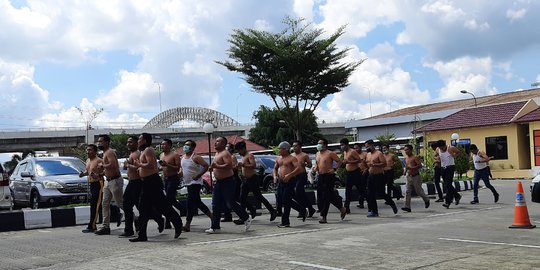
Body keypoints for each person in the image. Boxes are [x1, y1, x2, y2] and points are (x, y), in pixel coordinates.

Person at [129, 133, 183, 242]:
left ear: (144, 140)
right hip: (146, 182)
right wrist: (135, 166)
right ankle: (142, 235)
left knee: (162, 205)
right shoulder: (143, 151)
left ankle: (177, 223)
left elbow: (151, 165)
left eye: (139, 139)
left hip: (152, 181)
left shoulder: (148, 150)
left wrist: (139, 165)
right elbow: (144, 166)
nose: (138, 141)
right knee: (143, 208)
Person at [205, 137, 252, 234]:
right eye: (216, 141)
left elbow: (229, 165)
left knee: (230, 203)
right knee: (215, 204)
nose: (215, 143)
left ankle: (246, 217)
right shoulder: (217, 154)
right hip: (218, 182)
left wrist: (216, 166)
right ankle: (215, 226)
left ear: (223, 144)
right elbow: (218, 166)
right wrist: (213, 169)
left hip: (227, 181)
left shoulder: (225, 153)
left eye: (218, 141)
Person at [121, 136, 164, 237]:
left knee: (142, 207)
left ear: (137, 143)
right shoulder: (132, 154)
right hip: (131, 182)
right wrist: (127, 165)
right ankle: (129, 229)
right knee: (127, 205)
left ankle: (158, 218)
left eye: (131, 142)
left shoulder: (137, 153)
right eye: (127, 142)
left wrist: (128, 165)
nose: (128, 144)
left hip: (137, 183)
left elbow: (137, 166)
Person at [234, 141, 277, 224]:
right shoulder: (244, 157)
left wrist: (243, 165)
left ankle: (272, 210)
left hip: (252, 179)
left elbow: (253, 165)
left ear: (243, 149)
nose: (239, 153)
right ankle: (243, 217)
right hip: (245, 180)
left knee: (258, 197)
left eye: (239, 150)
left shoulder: (249, 155)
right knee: (242, 198)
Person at [180, 140, 213, 232]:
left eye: (188, 145)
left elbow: (206, 166)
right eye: (185, 144)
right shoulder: (183, 157)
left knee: (190, 203)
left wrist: (198, 175)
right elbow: (183, 169)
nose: (185, 146)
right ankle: (213, 217)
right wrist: (180, 174)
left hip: (195, 183)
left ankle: (187, 224)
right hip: (187, 183)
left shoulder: (196, 157)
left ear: (193, 147)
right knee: (197, 202)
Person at [311, 138, 347, 224]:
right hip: (320, 176)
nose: (318, 145)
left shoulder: (330, 153)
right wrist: (315, 169)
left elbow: (339, 162)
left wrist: (334, 169)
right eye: (318, 143)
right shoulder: (317, 154)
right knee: (324, 196)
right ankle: (342, 208)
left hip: (329, 176)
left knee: (326, 196)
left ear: (325, 145)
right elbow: (317, 163)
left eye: (320, 143)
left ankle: (324, 217)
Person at [95, 134, 124, 235]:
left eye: (101, 141)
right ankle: (105, 226)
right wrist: (100, 174)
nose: (99, 143)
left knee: (120, 203)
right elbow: (108, 168)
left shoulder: (110, 152)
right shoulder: (105, 153)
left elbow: (113, 165)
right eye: (98, 141)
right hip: (108, 181)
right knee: (105, 203)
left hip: (115, 181)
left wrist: (102, 165)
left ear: (107, 142)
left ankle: (135, 218)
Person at [274, 141, 306, 227]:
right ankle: (302, 210)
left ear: (285, 149)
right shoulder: (278, 158)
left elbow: (299, 168)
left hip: (290, 181)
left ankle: (285, 222)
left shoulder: (292, 158)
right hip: (281, 181)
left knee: (286, 201)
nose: (279, 151)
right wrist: (275, 176)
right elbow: (275, 168)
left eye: (280, 149)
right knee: (282, 199)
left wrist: (290, 175)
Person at [365, 139, 398, 217]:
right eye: (366, 147)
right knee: (370, 194)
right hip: (371, 176)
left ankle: (391, 203)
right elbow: (367, 163)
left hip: (379, 176)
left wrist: (375, 165)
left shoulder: (379, 153)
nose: (367, 148)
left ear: (372, 145)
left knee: (381, 193)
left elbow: (384, 164)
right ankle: (374, 211)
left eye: (368, 146)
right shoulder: (368, 154)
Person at [159, 139, 185, 228]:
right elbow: (162, 167)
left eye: (164, 144)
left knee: (168, 199)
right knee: (171, 199)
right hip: (165, 179)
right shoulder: (161, 155)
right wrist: (161, 168)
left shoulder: (174, 155)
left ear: (169, 145)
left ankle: (169, 221)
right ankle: (183, 210)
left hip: (173, 178)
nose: (162, 146)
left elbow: (178, 167)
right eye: (161, 144)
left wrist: (167, 165)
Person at [79, 144, 104, 233]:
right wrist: (83, 174)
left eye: (90, 150)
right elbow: (88, 171)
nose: (88, 152)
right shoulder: (88, 160)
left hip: (99, 184)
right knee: (99, 205)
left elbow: (105, 170)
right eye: (87, 150)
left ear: (95, 151)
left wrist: (98, 174)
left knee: (95, 205)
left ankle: (92, 226)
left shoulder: (99, 160)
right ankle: (116, 213)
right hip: (92, 184)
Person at [291, 140, 316, 218]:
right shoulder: (291, 155)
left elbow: (309, 164)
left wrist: (304, 164)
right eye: (293, 146)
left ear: (300, 147)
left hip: (302, 175)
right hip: (294, 176)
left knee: (298, 191)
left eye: (296, 146)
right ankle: (308, 209)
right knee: (299, 194)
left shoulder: (304, 155)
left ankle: (303, 210)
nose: (294, 147)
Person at [401, 144, 430, 212]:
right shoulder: (406, 158)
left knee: (418, 191)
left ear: (411, 150)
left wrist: (412, 168)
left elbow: (419, 166)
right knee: (407, 191)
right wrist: (405, 171)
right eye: (405, 150)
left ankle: (426, 200)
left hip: (416, 176)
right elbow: (407, 166)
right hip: (409, 176)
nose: (406, 151)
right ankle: (407, 206)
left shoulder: (415, 157)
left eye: (407, 150)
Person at [436, 139, 462, 209]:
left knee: (448, 185)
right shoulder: (438, 149)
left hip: (450, 167)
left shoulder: (450, 148)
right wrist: (437, 159)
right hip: (443, 168)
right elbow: (436, 155)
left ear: (445, 145)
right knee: (447, 184)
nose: (442, 149)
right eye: (440, 148)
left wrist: (454, 155)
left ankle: (447, 202)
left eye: (442, 147)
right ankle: (457, 196)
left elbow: (459, 152)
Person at [340, 138, 363, 214]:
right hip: (349, 173)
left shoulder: (352, 151)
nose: (341, 147)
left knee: (361, 190)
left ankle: (371, 205)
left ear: (347, 145)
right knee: (348, 191)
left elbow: (359, 160)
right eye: (341, 145)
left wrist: (349, 162)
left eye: (343, 145)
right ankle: (347, 208)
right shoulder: (345, 152)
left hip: (356, 173)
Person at [221, 143, 240, 222]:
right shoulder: (226, 156)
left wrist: (226, 167)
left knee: (234, 198)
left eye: (227, 147)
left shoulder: (232, 157)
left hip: (233, 178)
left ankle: (247, 210)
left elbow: (235, 167)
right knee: (225, 198)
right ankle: (227, 215)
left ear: (231, 149)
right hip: (225, 178)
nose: (226, 149)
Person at [353, 143, 368, 209]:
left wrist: (365, 170)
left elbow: (368, 163)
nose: (356, 149)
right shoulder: (354, 154)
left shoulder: (365, 154)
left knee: (363, 188)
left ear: (360, 148)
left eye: (357, 148)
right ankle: (361, 203)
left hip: (364, 172)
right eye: (354, 148)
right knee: (360, 189)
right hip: (356, 173)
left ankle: (366, 201)